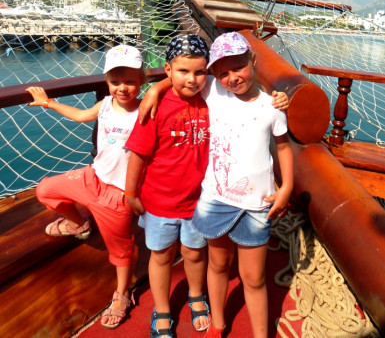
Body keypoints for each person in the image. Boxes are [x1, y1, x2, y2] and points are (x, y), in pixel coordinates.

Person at [140, 31, 292, 338]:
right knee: (218, 264)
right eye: (222, 73)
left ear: (253, 60)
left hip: (256, 204)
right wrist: (155, 88)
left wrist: (286, 186)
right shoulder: (214, 91)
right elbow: (183, 78)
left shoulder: (272, 106)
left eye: (239, 68)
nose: (232, 78)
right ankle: (218, 324)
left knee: (254, 278)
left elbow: (283, 146)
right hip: (216, 200)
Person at [26, 45, 146, 330]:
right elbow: (80, 116)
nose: (122, 88)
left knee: (120, 250)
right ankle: (79, 224)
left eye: (130, 81)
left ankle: (122, 293)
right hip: (93, 177)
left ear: (142, 81)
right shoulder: (105, 104)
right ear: (107, 81)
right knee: (45, 190)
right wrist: (49, 103)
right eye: (115, 81)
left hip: (119, 193)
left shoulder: (146, 110)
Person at [124, 34, 212, 338]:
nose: (192, 79)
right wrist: (131, 193)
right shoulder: (156, 107)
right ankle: (162, 308)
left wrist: (157, 85)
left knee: (195, 253)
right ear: (168, 69)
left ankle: (196, 295)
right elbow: (138, 153)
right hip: (159, 201)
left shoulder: (211, 98)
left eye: (199, 72)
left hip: (198, 202)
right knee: (161, 256)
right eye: (183, 71)